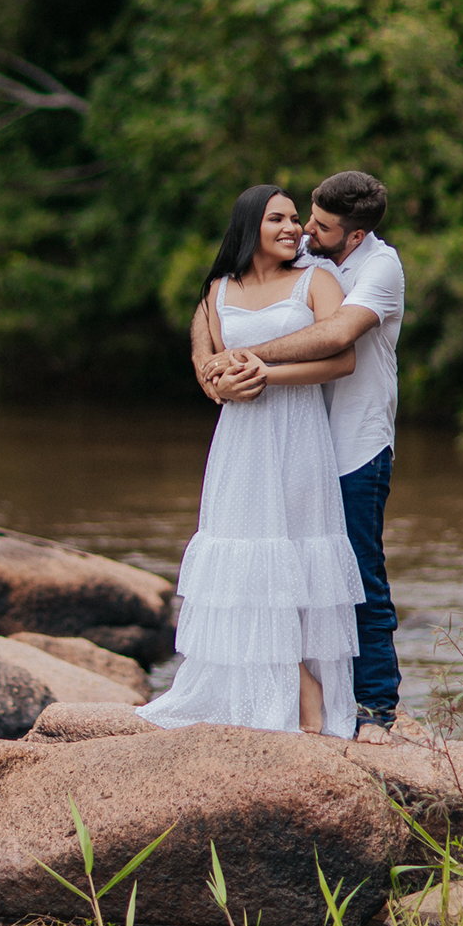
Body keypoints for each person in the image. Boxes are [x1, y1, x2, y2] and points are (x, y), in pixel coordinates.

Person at [136, 184, 365, 737]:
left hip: (299, 435)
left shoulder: (317, 280)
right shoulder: (218, 290)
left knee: (295, 558)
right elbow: (211, 366)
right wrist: (222, 386)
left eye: (294, 219)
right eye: (277, 219)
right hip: (240, 442)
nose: (293, 229)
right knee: (245, 561)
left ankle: (311, 693)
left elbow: (342, 359)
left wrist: (265, 374)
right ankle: (283, 689)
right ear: (249, 228)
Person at [193, 171, 404, 744]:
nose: (304, 230)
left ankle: (375, 709)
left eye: (316, 224)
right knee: (261, 564)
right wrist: (209, 368)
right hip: (268, 443)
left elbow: (337, 341)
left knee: (355, 573)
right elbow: (214, 295)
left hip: (352, 442)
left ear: (353, 236)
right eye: (294, 218)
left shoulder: (377, 270)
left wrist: (243, 360)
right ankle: (287, 688)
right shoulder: (309, 247)